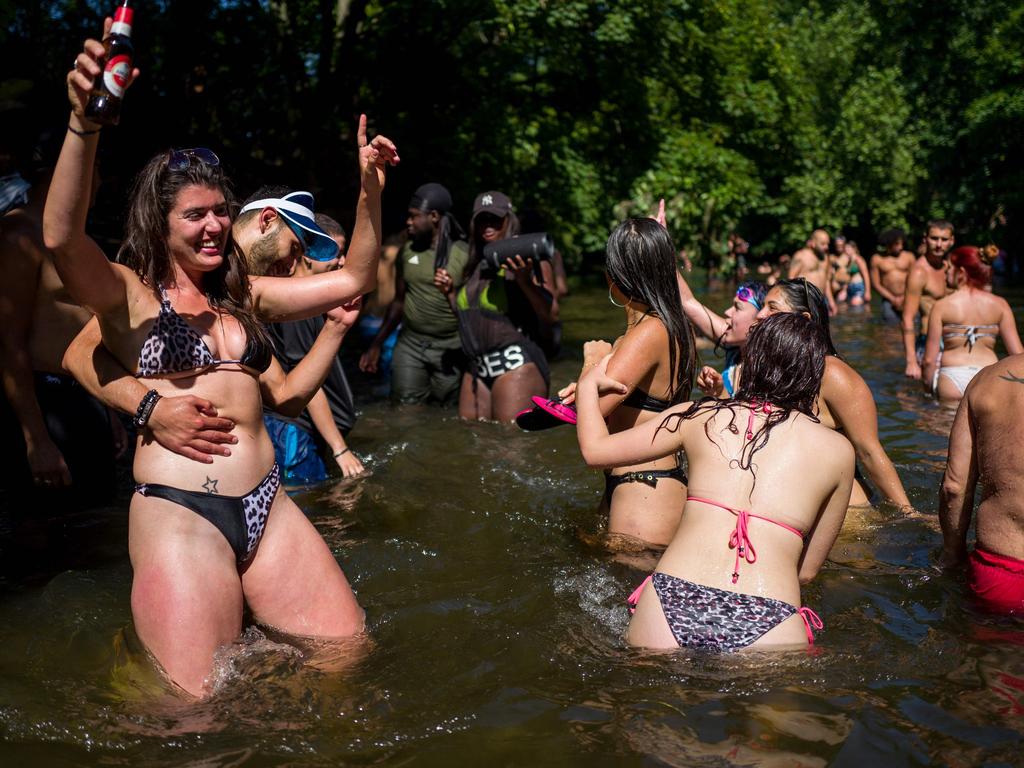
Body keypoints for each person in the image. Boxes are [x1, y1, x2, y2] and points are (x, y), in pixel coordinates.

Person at [44, 28, 398, 696]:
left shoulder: (245, 298)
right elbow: (61, 237)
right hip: (181, 510)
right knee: (196, 709)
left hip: (270, 505)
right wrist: (80, 125)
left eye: (220, 212)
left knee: (347, 659)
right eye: (195, 215)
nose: (213, 226)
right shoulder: (130, 296)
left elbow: (354, 278)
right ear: (160, 222)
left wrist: (369, 188)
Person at [576, 313, 854, 650]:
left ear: (752, 362)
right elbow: (806, 573)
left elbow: (595, 451)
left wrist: (589, 384)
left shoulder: (700, 415)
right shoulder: (839, 451)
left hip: (671, 600)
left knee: (647, 701)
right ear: (814, 373)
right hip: (770, 616)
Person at [694, 279, 911, 510]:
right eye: (763, 306)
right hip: (785, 511)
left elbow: (869, 453)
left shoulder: (833, 375)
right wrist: (721, 394)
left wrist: (907, 513)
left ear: (803, 320)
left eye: (773, 308)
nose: (760, 315)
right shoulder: (770, 373)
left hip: (848, 518)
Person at [555, 218, 698, 548]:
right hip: (647, 483)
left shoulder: (648, 332)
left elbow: (587, 412)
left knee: (626, 593)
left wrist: (592, 360)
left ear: (614, 278)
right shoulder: (674, 326)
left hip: (644, 487)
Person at [0, 130, 125, 505]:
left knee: (95, 527)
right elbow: (8, 342)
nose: (98, 179)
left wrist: (110, 408)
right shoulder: (17, 235)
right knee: (47, 535)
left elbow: (90, 326)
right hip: (45, 405)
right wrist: (34, 436)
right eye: (93, 166)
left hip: (87, 398)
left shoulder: (78, 243)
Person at [436, 190, 558, 421]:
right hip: (477, 370)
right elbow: (469, 320)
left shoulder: (529, 257)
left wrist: (523, 280)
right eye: (482, 219)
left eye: (495, 218)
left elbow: (551, 315)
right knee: (473, 446)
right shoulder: (474, 265)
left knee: (511, 446)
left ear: (508, 220)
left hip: (516, 365)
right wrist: (450, 294)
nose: (488, 225)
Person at [263, 212, 365, 483]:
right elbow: (307, 385)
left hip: (308, 434)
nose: (342, 261)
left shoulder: (305, 299)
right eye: (336, 252)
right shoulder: (293, 304)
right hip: (295, 435)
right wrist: (340, 449)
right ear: (309, 253)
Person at [359, 183, 468, 405]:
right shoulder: (407, 251)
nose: (408, 222)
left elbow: (472, 310)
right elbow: (399, 302)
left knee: (446, 411)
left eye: (414, 216)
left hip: (450, 348)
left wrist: (452, 291)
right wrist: (377, 344)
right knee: (404, 410)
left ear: (434, 217)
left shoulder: (463, 254)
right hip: (411, 345)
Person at [940, 353, 1024, 613]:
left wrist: (953, 555)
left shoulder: (988, 379)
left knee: (995, 653)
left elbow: (954, 487)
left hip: (1003, 571)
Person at [922, 246, 1022, 402]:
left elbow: (929, 360)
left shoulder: (941, 306)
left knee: (944, 425)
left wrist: (928, 392)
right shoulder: (1000, 305)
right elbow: (1018, 355)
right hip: (989, 379)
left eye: (949, 268)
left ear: (961, 272)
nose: (945, 272)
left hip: (952, 379)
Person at [902, 220, 955, 379]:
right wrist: (911, 361)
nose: (939, 244)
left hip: (951, 340)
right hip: (928, 341)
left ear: (952, 241)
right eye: (934, 238)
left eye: (944, 239)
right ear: (925, 239)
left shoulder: (950, 267)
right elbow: (907, 318)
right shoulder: (919, 272)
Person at [870, 228, 916, 323]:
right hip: (888, 300)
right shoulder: (877, 259)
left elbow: (915, 280)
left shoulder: (909, 257)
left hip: (908, 297)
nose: (901, 247)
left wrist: (904, 297)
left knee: (911, 324)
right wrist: (893, 299)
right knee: (890, 328)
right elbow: (875, 284)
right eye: (897, 244)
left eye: (902, 243)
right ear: (889, 244)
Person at [788, 229, 836, 314]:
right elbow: (791, 280)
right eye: (823, 244)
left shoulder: (826, 258)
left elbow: (826, 281)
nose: (826, 247)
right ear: (813, 243)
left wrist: (831, 302)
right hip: (805, 300)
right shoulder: (801, 256)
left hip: (821, 300)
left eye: (827, 244)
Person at [832, 238, 871, 307]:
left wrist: (867, 292)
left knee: (857, 307)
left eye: (849, 249)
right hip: (850, 287)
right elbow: (848, 277)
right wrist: (844, 290)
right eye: (846, 249)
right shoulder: (848, 261)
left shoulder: (859, 260)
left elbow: (866, 276)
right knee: (841, 304)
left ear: (854, 249)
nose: (847, 251)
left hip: (858, 287)